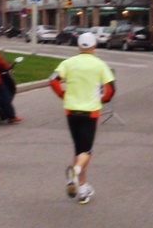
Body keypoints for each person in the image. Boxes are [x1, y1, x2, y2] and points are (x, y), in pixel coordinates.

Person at [49, 33, 116, 205]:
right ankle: (76, 172)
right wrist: (102, 99)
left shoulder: (68, 63)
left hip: (71, 110)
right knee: (87, 151)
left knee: (78, 150)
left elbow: (53, 80)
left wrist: (62, 94)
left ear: (79, 46)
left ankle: (82, 188)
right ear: (94, 47)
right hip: (90, 112)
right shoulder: (100, 64)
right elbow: (110, 89)